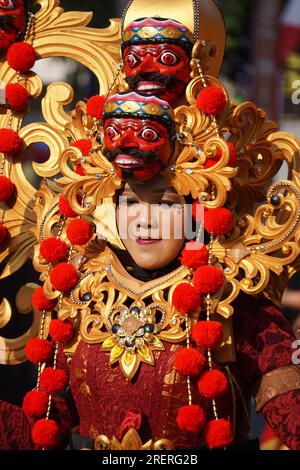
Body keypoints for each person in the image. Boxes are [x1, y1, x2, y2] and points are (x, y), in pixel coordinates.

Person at [0, 0, 300, 452]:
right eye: (129, 203)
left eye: (163, 204)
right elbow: (42, 428)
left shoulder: (235, 308)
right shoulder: (77, 297)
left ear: (198, 210)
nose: (143, 218)